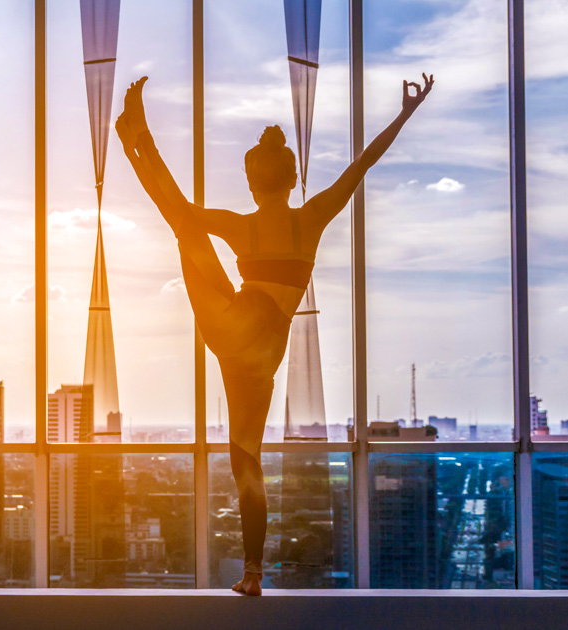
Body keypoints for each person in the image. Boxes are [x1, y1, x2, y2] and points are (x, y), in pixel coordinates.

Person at [116, 73, 434, 595]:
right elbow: (362, 166)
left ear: (250, 182)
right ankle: (253, 572)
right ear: (291, 180)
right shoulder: (310, 219)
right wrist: (404, 113)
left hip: (229, 322)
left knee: (184, 226)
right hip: (261, 355)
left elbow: (178, 210)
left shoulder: (241, 226)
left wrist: (142, 147)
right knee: (248, 461)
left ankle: (136, 139)